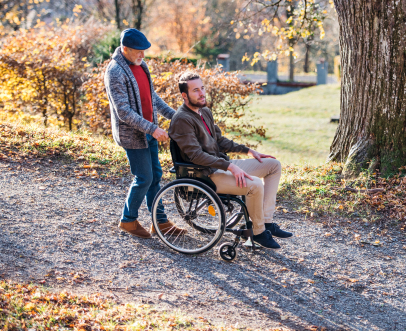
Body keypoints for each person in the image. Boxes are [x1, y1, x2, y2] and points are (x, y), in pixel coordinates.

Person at [168, 71, 292, 249]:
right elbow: (196, 156)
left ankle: (266, 223)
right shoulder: (182, 119)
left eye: (202, 88)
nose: (202, 93)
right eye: (196, 90)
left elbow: (219, 141)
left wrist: (248, 151)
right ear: (184, 95)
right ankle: (258, 232)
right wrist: (230, 167)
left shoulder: (204, 111)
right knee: (255, 184)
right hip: (204, 174)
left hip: (220, 166)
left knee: (273, 166)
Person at [104, 28, 186, 239]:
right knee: (144, 177)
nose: (143, 55)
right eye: (138, 51)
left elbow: (152, 96)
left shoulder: (141, 65)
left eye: (144, 51)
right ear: (125, 49)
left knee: (156, 176)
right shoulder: (115, 72)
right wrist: (153, 129)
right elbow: (123, 112)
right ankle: (128, 220)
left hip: (150, 131)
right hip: (133, 136)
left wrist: (175, 116)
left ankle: (160, 222)